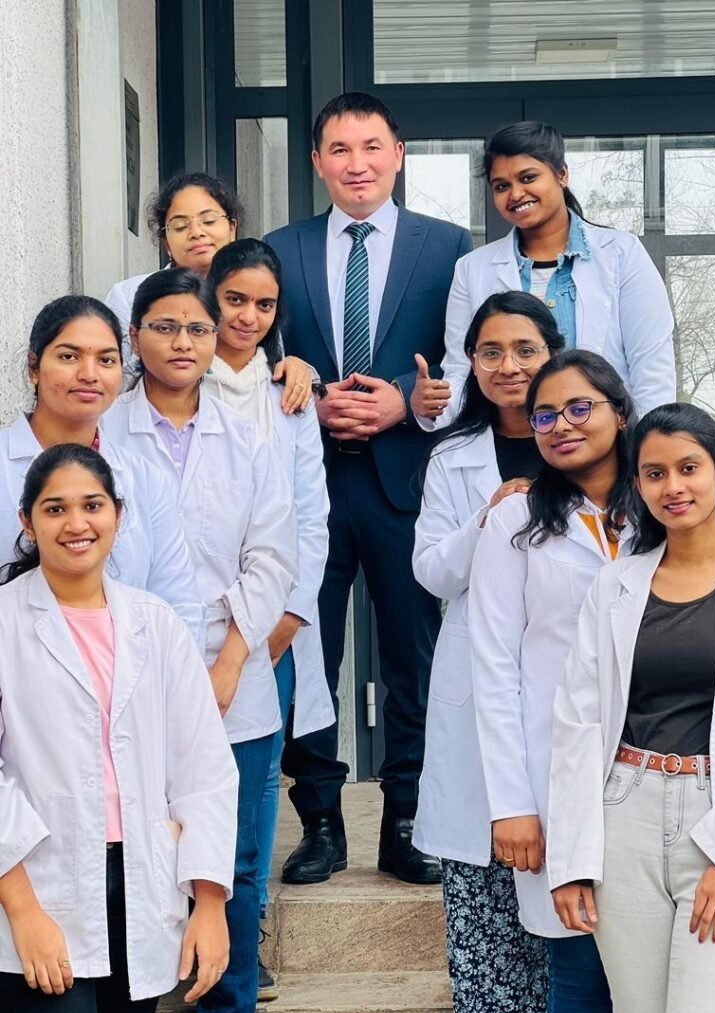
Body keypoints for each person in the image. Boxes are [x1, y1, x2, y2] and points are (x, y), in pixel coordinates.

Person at [265, 91, 474, 885]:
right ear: (318, 161)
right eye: (341, 149)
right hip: (307, 486)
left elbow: (464, 360)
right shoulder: (280, 249)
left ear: (399, 154)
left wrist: (403, 399)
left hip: (405, 481)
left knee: (412, 657)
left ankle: (406, 818)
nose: (358, 164)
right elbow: (257, 352)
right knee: (305, 649)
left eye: (372, 147)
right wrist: (308, 397)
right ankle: (319, 819)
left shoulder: (448, 248)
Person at [103, 268, 297, 1013]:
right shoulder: (106, 433)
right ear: (135, 338)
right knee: (138, 851)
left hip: (232, 672)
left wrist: (228, 663)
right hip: (128, 671)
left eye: (197, 328)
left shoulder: (250, 433)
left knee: (235, 862)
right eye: (164, 327)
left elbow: (273, 558)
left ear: (216, 340)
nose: (182, 342)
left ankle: (227, 1012)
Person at [0, 443, 238, 1013]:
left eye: (92, 505)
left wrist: (210, 904)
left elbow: (203, 769)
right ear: (27, 522)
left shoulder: (155, 624)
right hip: (37, 886)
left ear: (118, 514)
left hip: (139, 885)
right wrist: (23, 911)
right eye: (55, 509)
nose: (76, 524)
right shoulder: (5, 621)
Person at [548, 404, 715, 1013]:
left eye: (688, 468)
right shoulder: (614, 586)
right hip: (625, 815)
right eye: (654, 473)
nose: (673, 486)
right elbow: (577, 726)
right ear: (638, 485)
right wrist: (572, 860)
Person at [469, 349, 637, 1013]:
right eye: (543, 415)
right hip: (556, 775)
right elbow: (493, 665)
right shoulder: (515, 521)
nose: (561, 425)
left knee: (659, 968)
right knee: (579, 971)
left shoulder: (664, 510)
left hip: (660, 770)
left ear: (620, 414)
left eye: (579, 407)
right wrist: (512, 803)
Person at [412, 290, 565, 1013]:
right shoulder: (452, 455)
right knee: (486, 916)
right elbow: (431, 573)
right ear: (469, 362)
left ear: (554, 353)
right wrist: (489, 515)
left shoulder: (589, 447)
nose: (509, 366)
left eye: (525, 350)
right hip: (478, 686)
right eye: (491, 352)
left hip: (569, 691)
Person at [206, 237, 334, 1001]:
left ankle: (242, 952)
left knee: (253, 808)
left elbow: (310, 514)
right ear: (209, 296)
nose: (248, 317)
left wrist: (289, 613)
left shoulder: (289, 395)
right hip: (193, 626)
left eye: (264, 305)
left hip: (272, 631)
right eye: (234, 300)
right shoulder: (174, 383)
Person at [412, 120, 675, 428]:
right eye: (501, 186)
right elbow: (462, 372)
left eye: (528, 178)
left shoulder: (621, 253)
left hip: (603, 442)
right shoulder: (472, 269)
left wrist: (647, 445)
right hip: (512, 440)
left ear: (562, 174)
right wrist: (430, 407)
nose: (515, 194)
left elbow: (652, 369)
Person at [0, 296, 203, 644]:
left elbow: (178, 606)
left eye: (106, 360)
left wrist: (176, 677)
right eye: (69, 357)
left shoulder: (144, 479)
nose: (89, 375)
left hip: (130, 672)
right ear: (34, 367)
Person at [104, 172, 311, 407]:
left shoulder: (256, 294)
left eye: (209, 221)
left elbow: (272, 364)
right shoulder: (130, 296)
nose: (196, 232)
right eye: (180, 226)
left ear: (232, 228)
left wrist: (297, 370)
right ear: (166, 243)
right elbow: (112, 380)